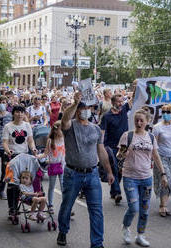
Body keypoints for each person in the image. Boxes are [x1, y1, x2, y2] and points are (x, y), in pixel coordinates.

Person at [56, 92, 115, 248]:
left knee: (96, 210)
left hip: (92, 173)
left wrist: (109, 171)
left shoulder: (95, 129)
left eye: (89, 107)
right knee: (67, 205)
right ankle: (63, 230)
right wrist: (75, 103)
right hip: (72, 173)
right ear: (77, 110)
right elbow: (65, 119)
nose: (87, 110)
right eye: (83, 108)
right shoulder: (70, 125)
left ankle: (97, 243)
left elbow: (101, 151)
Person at [118, 109, 168, 247]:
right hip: (130, 177)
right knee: (134, 208)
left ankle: (140, 235)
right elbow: (119, 156)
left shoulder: (151, 137)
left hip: (146, 178)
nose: (139, 123)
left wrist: (163, 174)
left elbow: (156, 156)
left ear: (147, 122)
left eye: (141, 120)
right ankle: (126, 227)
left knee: (144, 210)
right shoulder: (127, 136)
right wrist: (123, 152)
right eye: (136, 120)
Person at [2, 105, 37, 217]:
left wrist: (34, 148)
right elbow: (5, 142)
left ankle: (18, 204)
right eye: (17, 112)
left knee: (22, 182)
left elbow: (30, 141)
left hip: (24, 156)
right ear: (13, 113)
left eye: (22, 112)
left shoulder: (27, 125)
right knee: (12, 183)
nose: (20, 114)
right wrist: (8, 151)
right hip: (12, 157)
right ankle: (11, 207)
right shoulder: (8, 126)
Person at [100, 94, 131, 204]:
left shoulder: (124, 111)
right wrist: (101, 146)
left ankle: (113, 191)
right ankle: (117, 192)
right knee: (113, 168)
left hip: (123, 146)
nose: (121, 104)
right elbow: (102, 132)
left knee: (120, 170)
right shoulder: (106, 116)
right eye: (118, 102)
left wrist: (137, 86)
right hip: (111, 146)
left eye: (122, 101)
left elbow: (134, 99)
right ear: (113, 103)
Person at [37, 120, 65, 214]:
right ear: (56, 130)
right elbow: (45, 154)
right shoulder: (50, 140)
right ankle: (50, 205)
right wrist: (37, 156)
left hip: (63, 166)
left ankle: (66, 206)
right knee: (52, 186)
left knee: (63, 186)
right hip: (53, 165)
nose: (63, 131)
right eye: (62, 129)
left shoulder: (64, 138)